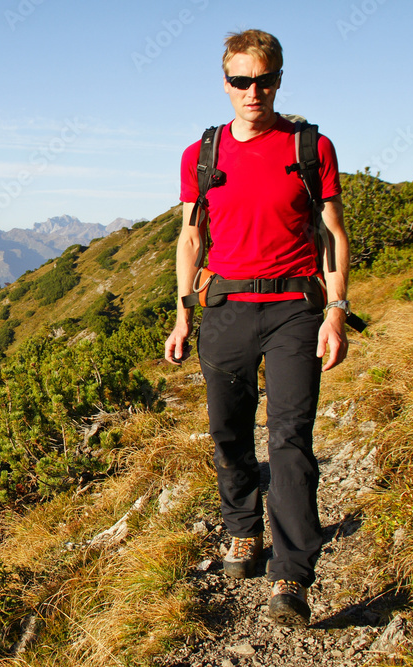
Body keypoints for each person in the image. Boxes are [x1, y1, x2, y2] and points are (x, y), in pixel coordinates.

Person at [164, 29, 351, 626]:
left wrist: (337, 313)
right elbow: (191, 236)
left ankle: (292, 576)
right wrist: (182, 314)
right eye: (241, 81)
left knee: (290, 439)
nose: (253, 92)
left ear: (278, 80)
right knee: (228, 432)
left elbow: (333, 235)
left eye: (264, 80)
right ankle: (244, 532)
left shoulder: (310, 147)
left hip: (296, 306)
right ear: (225, 84)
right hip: (224, 309)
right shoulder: (203, 154)